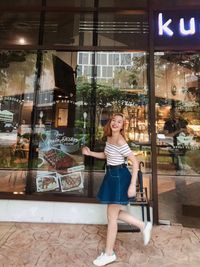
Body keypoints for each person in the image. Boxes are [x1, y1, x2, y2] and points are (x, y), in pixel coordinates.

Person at [82, 113, 152, 267]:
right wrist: (90, 153)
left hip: (120, 176)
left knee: (111, 217)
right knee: (112, 215)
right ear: (110, 122)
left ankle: (109, 254)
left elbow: (134, 162)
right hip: (112, 175)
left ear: (122, 126)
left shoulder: (120, 140)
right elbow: (106, 155)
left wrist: (133, 185)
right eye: (114, 120)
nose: (115, 123)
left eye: (119, 122)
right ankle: (142, 225)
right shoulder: (109, 137)